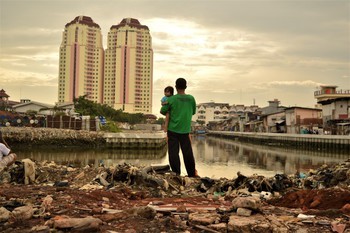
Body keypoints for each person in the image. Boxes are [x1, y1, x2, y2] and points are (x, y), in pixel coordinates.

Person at [160, 78, 198, 177]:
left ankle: (176, 173)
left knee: (173, 152)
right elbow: (193, 111)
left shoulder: (171, 99)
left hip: (172, 130)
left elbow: (163, 111)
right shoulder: (191, 99)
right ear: (185, 87)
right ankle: (191, 174)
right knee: (188, 153)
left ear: (176, 87)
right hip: (185, 130)